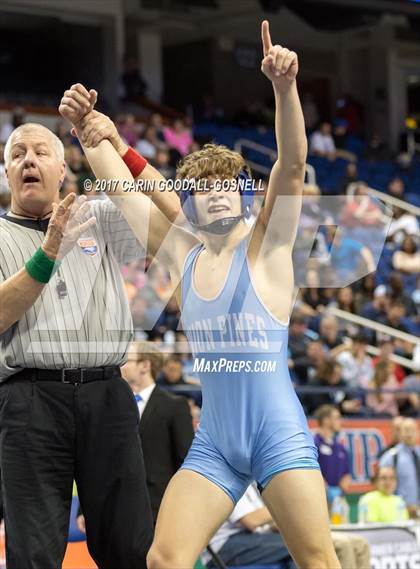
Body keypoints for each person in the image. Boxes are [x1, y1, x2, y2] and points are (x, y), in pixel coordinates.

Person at [60, 21, 340, 569]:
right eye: (202, 189)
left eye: (223, 186)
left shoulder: (269, 245)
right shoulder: (181, 254)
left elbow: (290, 164)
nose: (213, 195)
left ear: (242, 194)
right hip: (216, 443)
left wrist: (285, 91)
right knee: (164, 559)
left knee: (319, 562)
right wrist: (88, 132)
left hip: (276, 435)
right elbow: (123, 189)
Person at [0, 121, 157, 568]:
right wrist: (48, 252)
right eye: (17, 154)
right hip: (28, 399)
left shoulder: (99, 215)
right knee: (34, 552)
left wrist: (104, 141)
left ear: (64, 167)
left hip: (106, 393)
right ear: (7, 172)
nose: (28, 160)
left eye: (40, 152)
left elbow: (156, 216)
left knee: (129, 547)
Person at [77, 341, 194, 526]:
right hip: (113, 508)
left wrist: (182, 508)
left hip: (158, 509)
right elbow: (97, 458)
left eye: (127, 361)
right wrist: (83, 509)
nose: (120, 367)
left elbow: (185, 460)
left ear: (145, 365)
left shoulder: (174, 406)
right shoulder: (110, 406)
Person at [205, 483, 296, 569]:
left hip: (248, 537)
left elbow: (263, 524)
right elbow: (252, 520)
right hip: (223, 546)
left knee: (297, 542)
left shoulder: (254, 483)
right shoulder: (230, 481)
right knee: (295, 543)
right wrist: (293, 505)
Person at [379, 418, 419, 518]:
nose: (409, 434)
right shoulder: (391, 457)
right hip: (400, 510)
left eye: (412, 430)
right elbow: (381, 485)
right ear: (399, 433)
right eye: (406, 430)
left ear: (417, 432)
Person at [313, 405, 351, 503]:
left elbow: (346, 473)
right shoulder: (313, 444)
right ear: (326, 420)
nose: (340, 421)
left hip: (339, 499)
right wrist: (325, 490)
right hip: (318, 498)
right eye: (337, 418)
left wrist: (341, 492)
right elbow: (311, 471)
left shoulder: (340, 448)